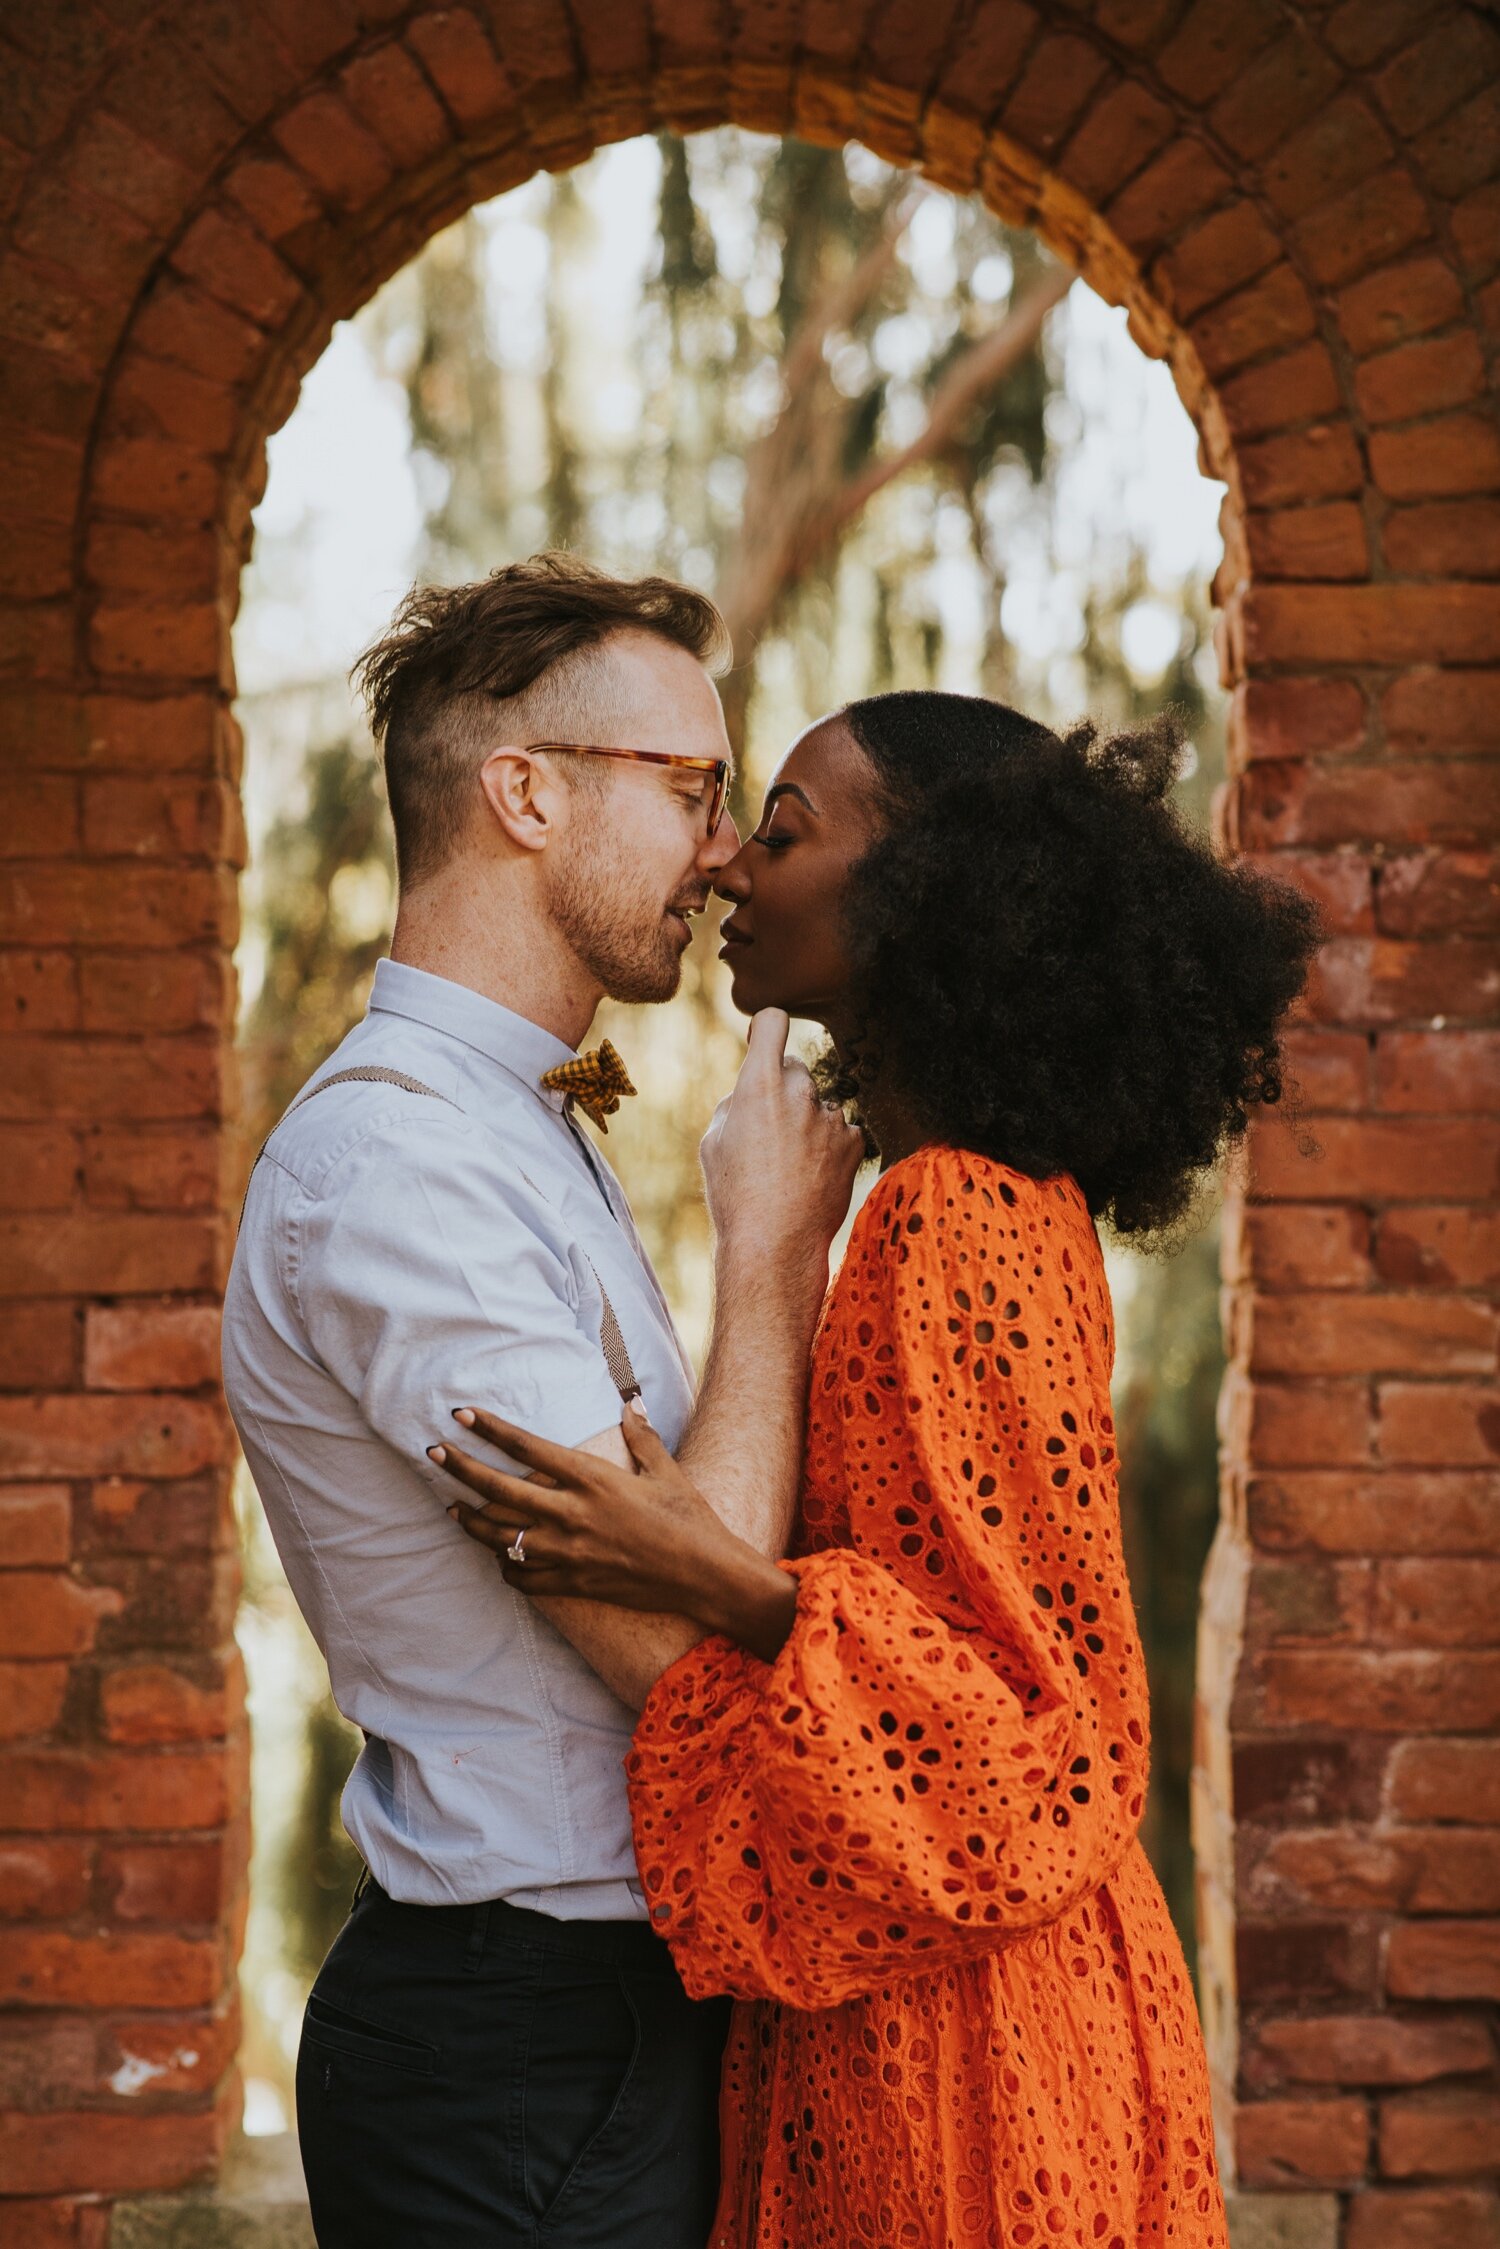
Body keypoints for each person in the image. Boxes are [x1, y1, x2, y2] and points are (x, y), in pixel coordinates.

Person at [433, 690, 1321, 2249]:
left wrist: (705, 1571)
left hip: (971, 2025)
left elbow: (1053, 1730)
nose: (726, 871)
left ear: (929, 888)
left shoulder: (950, 1221)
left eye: (780, 830)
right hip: (957, 1951)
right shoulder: (984, 1202)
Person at [221, 554, 862, 2248]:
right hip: (523, 2054)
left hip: (606, 2023)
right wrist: (775, 1255)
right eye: (692, 789)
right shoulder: (396, 1166)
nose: (724, 850)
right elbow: (675, 1627)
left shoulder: (514, 1124)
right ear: (524, 791)